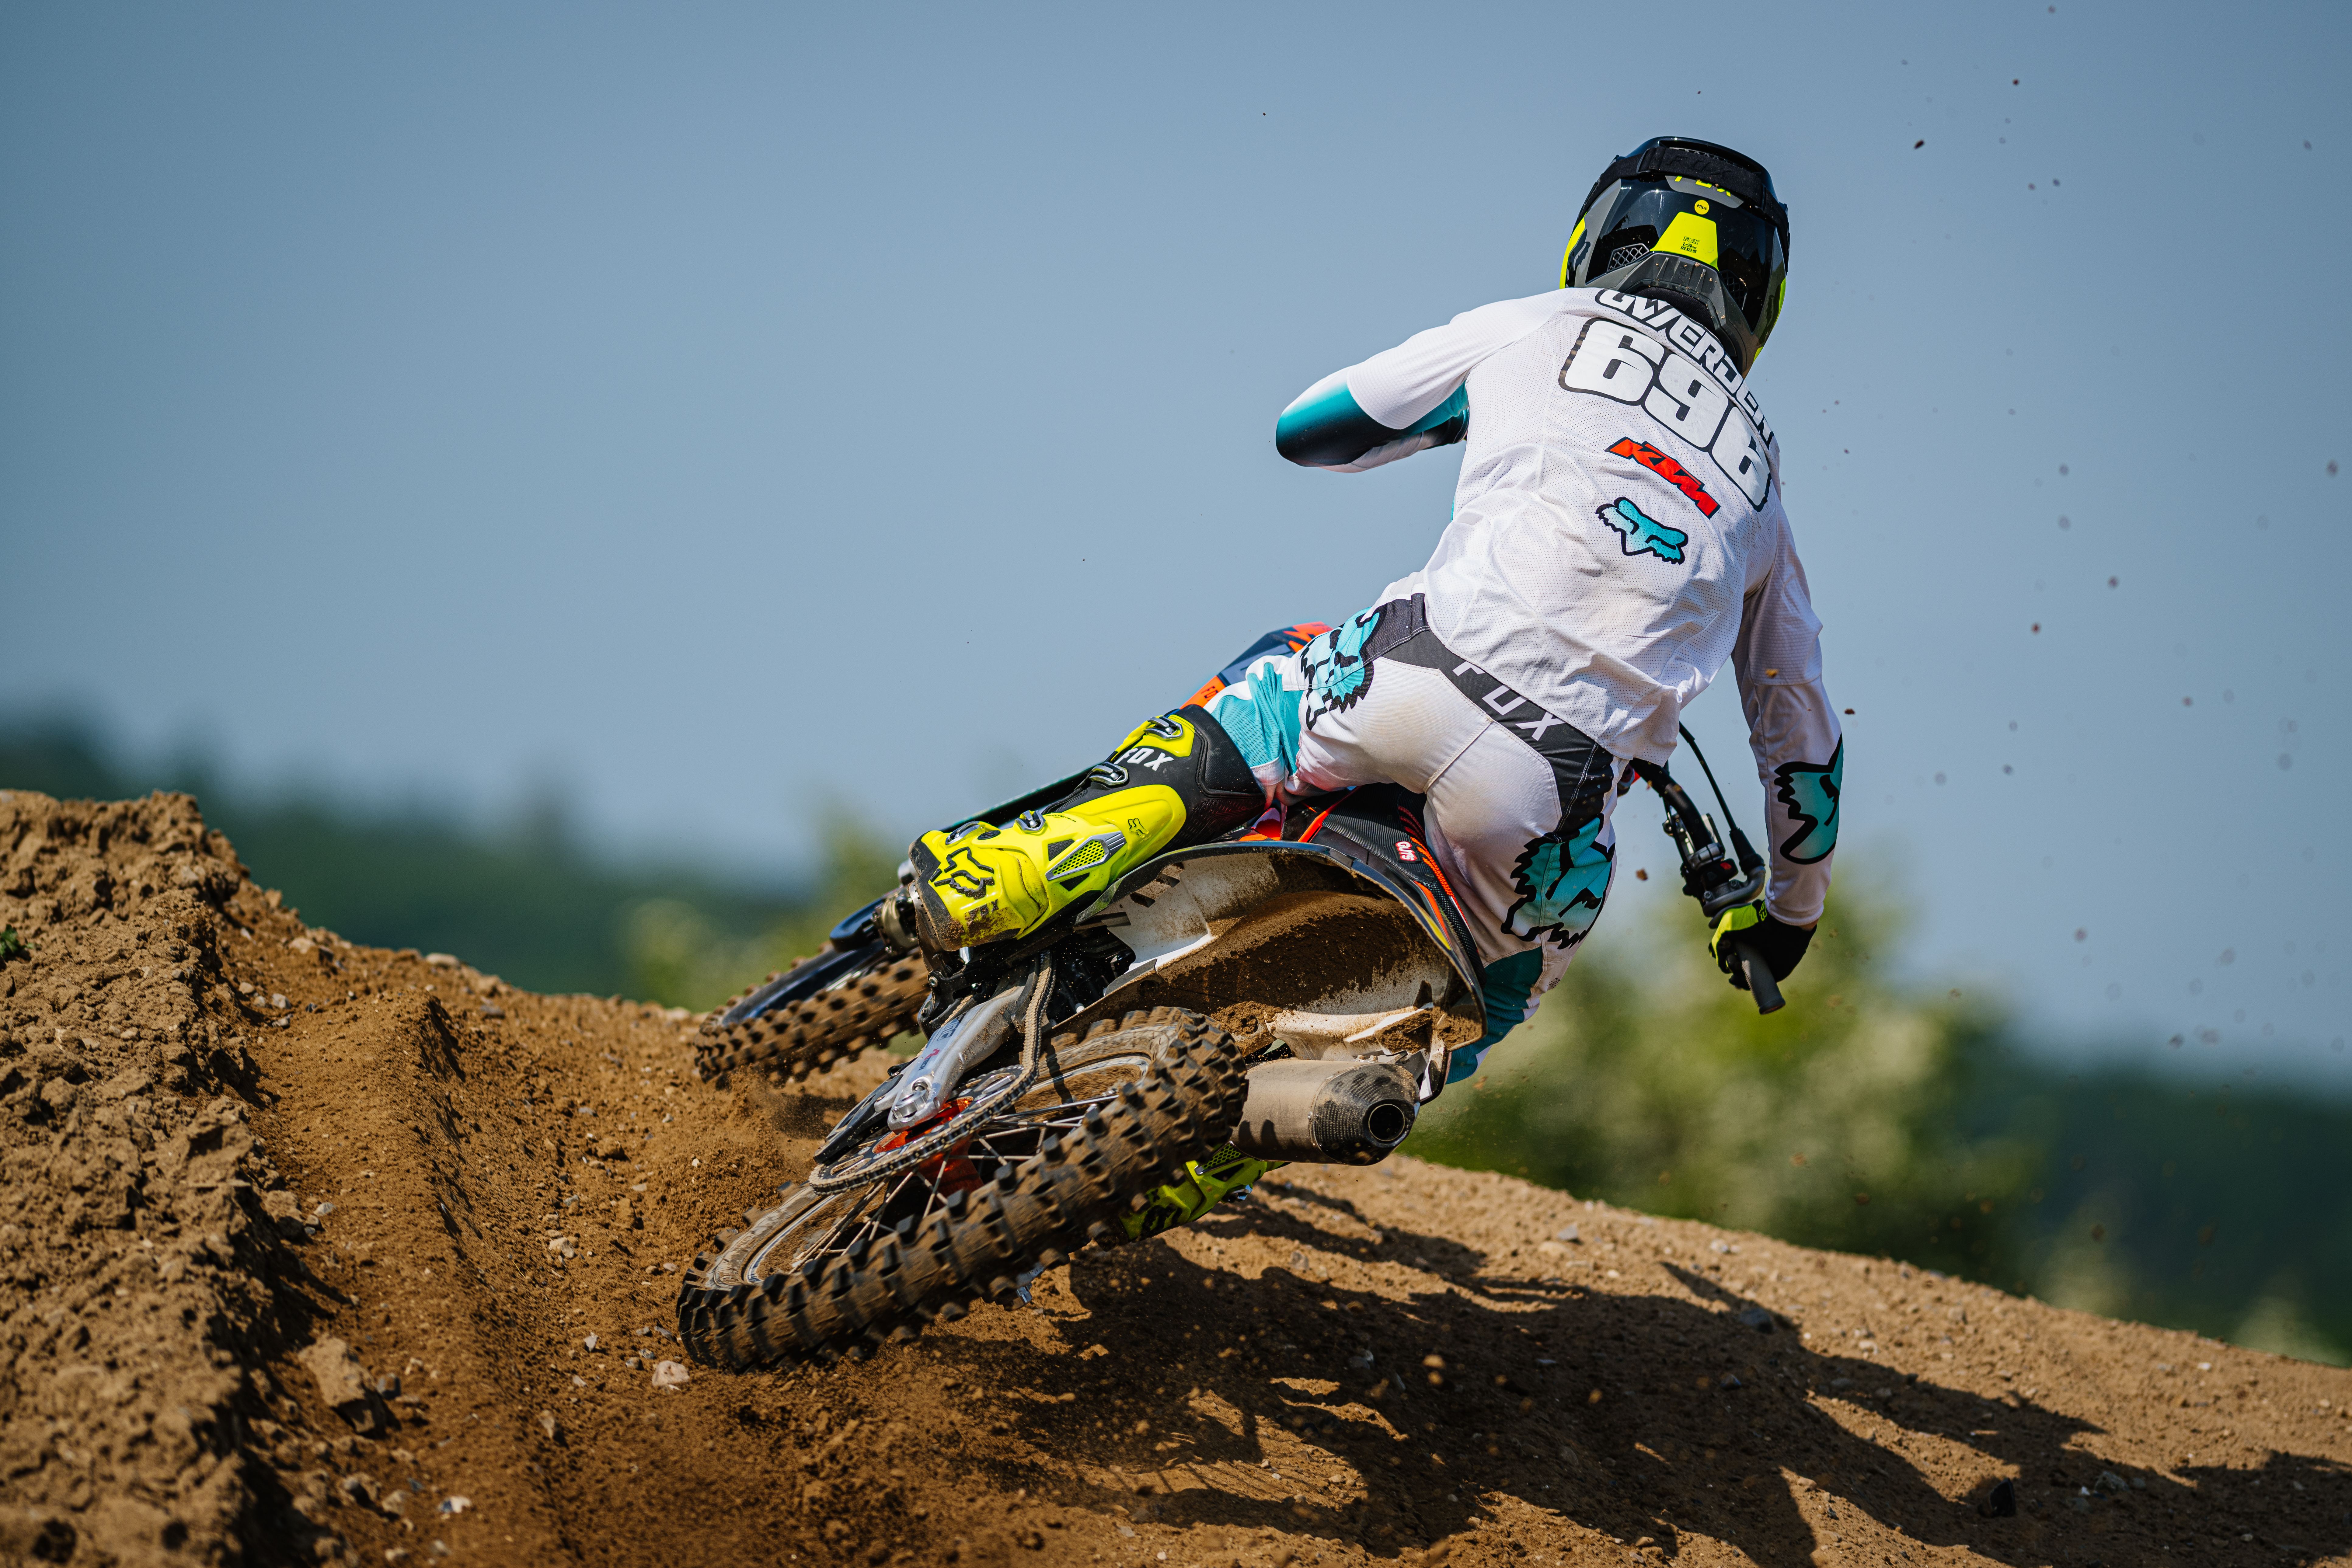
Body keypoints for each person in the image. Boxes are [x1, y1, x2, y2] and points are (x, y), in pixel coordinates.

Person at [908, 135, 1841, 1092]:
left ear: (1602, 235)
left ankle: (1026, 863)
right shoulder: (1761, 479)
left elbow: (1309, 428)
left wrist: (1464, 415)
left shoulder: (1537, 322)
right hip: (1552, 798)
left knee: (1274, 685)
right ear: (1760, 295)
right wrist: (1789, 916)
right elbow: (1800, 741)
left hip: (1411, 675)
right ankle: (1295, 1115)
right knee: (1486, 1001)